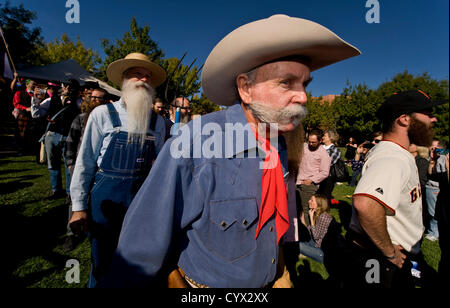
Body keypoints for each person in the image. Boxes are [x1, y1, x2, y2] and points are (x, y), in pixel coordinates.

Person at [102, 14, 360, 288]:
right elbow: (142, 242)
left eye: (304, 84)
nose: (303, 96)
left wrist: (281, 271)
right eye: (286, 82)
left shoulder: (279, 143)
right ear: (246, 88)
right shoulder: (197, 140)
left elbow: (270, 218)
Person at [69, 52, 167, 287]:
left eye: (147, 76)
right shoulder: (103, 114)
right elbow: (85, 162)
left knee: (135, 263)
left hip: (141, 203)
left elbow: (161, 168)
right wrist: (79, 207)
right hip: (105, 200)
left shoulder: (159, 123)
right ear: (124, 80)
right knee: (102, 262)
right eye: (136, 75)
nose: (143, 80)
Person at [344, 90, 445, 288]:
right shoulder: (392, 157)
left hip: (387, 258)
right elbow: (365, 203)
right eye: (427, 112)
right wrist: (389, 252)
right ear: (404, 119)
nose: (434, 119)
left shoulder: (398, 154)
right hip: (381, 261)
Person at [62, 87, 108, 252]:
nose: (95, 101)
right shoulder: (80, 118)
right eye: (93, 97)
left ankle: (91, 231)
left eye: (99, 98)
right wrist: (70, 164)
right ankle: (71, 234)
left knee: (92, 198)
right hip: (78, 166)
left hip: (98, 169)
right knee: (75, 198)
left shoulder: (107, 119)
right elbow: (70, 141)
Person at [31, 79, 80, 199]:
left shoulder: (78, 102)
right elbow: (36, 113)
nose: (68, 89)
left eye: (71, 87)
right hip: (52, 135)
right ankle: (56, 191)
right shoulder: (51, 99)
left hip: (70, 136)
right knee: (53, 164)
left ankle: (69, 192)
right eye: (66, 86)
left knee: (69, 165)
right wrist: (36, 99)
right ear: (63, 87)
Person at [296, 129, 331, 226]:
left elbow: (325, 172)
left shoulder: (324, 154)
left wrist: (311, 180)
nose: (310, 144)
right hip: (297, 181)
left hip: (309, 185)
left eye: (313, 142)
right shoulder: (304, 146)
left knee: (306, 209)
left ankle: (308, 233)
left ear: (320, 141)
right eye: (309, 141)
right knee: (297, 208)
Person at [428, 152, 449, 283]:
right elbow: (431, 174)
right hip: (443, 217)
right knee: (444, 252)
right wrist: (432, 161)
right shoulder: (444, 175)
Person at [298, 194, 334, 263]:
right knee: (299, 238)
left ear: (318, 204)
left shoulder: (323, 217)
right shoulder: (317, 213)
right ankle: (306, 252)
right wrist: (302, 219)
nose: (309, 201)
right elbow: (309, 231)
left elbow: (316, 236)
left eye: (312, 200)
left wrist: (311, 218)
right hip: (317, 243)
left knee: (297, 245)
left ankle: (307, 252)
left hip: (323, 253)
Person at [424, 139, 446, 242]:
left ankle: (435, 233)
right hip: (430, 186)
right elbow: (430, 174)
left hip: (437, 187)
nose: (433, 149)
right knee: (430, 211)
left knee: (435, 212)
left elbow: (442, 176)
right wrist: (432, 161)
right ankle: (432, 231)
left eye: (435, 147)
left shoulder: (443, 158)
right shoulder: (431, 158)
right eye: (431, 146)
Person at [12, 79, 35, 155]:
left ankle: (28, 149)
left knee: (30, 133)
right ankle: (20, 149)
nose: (34, 86)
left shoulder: (35, 94)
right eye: (33, 84)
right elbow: (16, 104)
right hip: (23, 115)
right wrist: (25, 108)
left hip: (32, 117)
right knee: (21, 133)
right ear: (27, 85)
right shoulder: (19, 93)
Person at [318, 130, 342, 204]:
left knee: (325, 196)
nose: (323, 137)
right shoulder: (319, 147)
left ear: (330, 138)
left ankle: (324, 213)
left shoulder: (335, 150)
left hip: (328, 177)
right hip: (315, 174)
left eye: (325, 136)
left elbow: (329, 163)